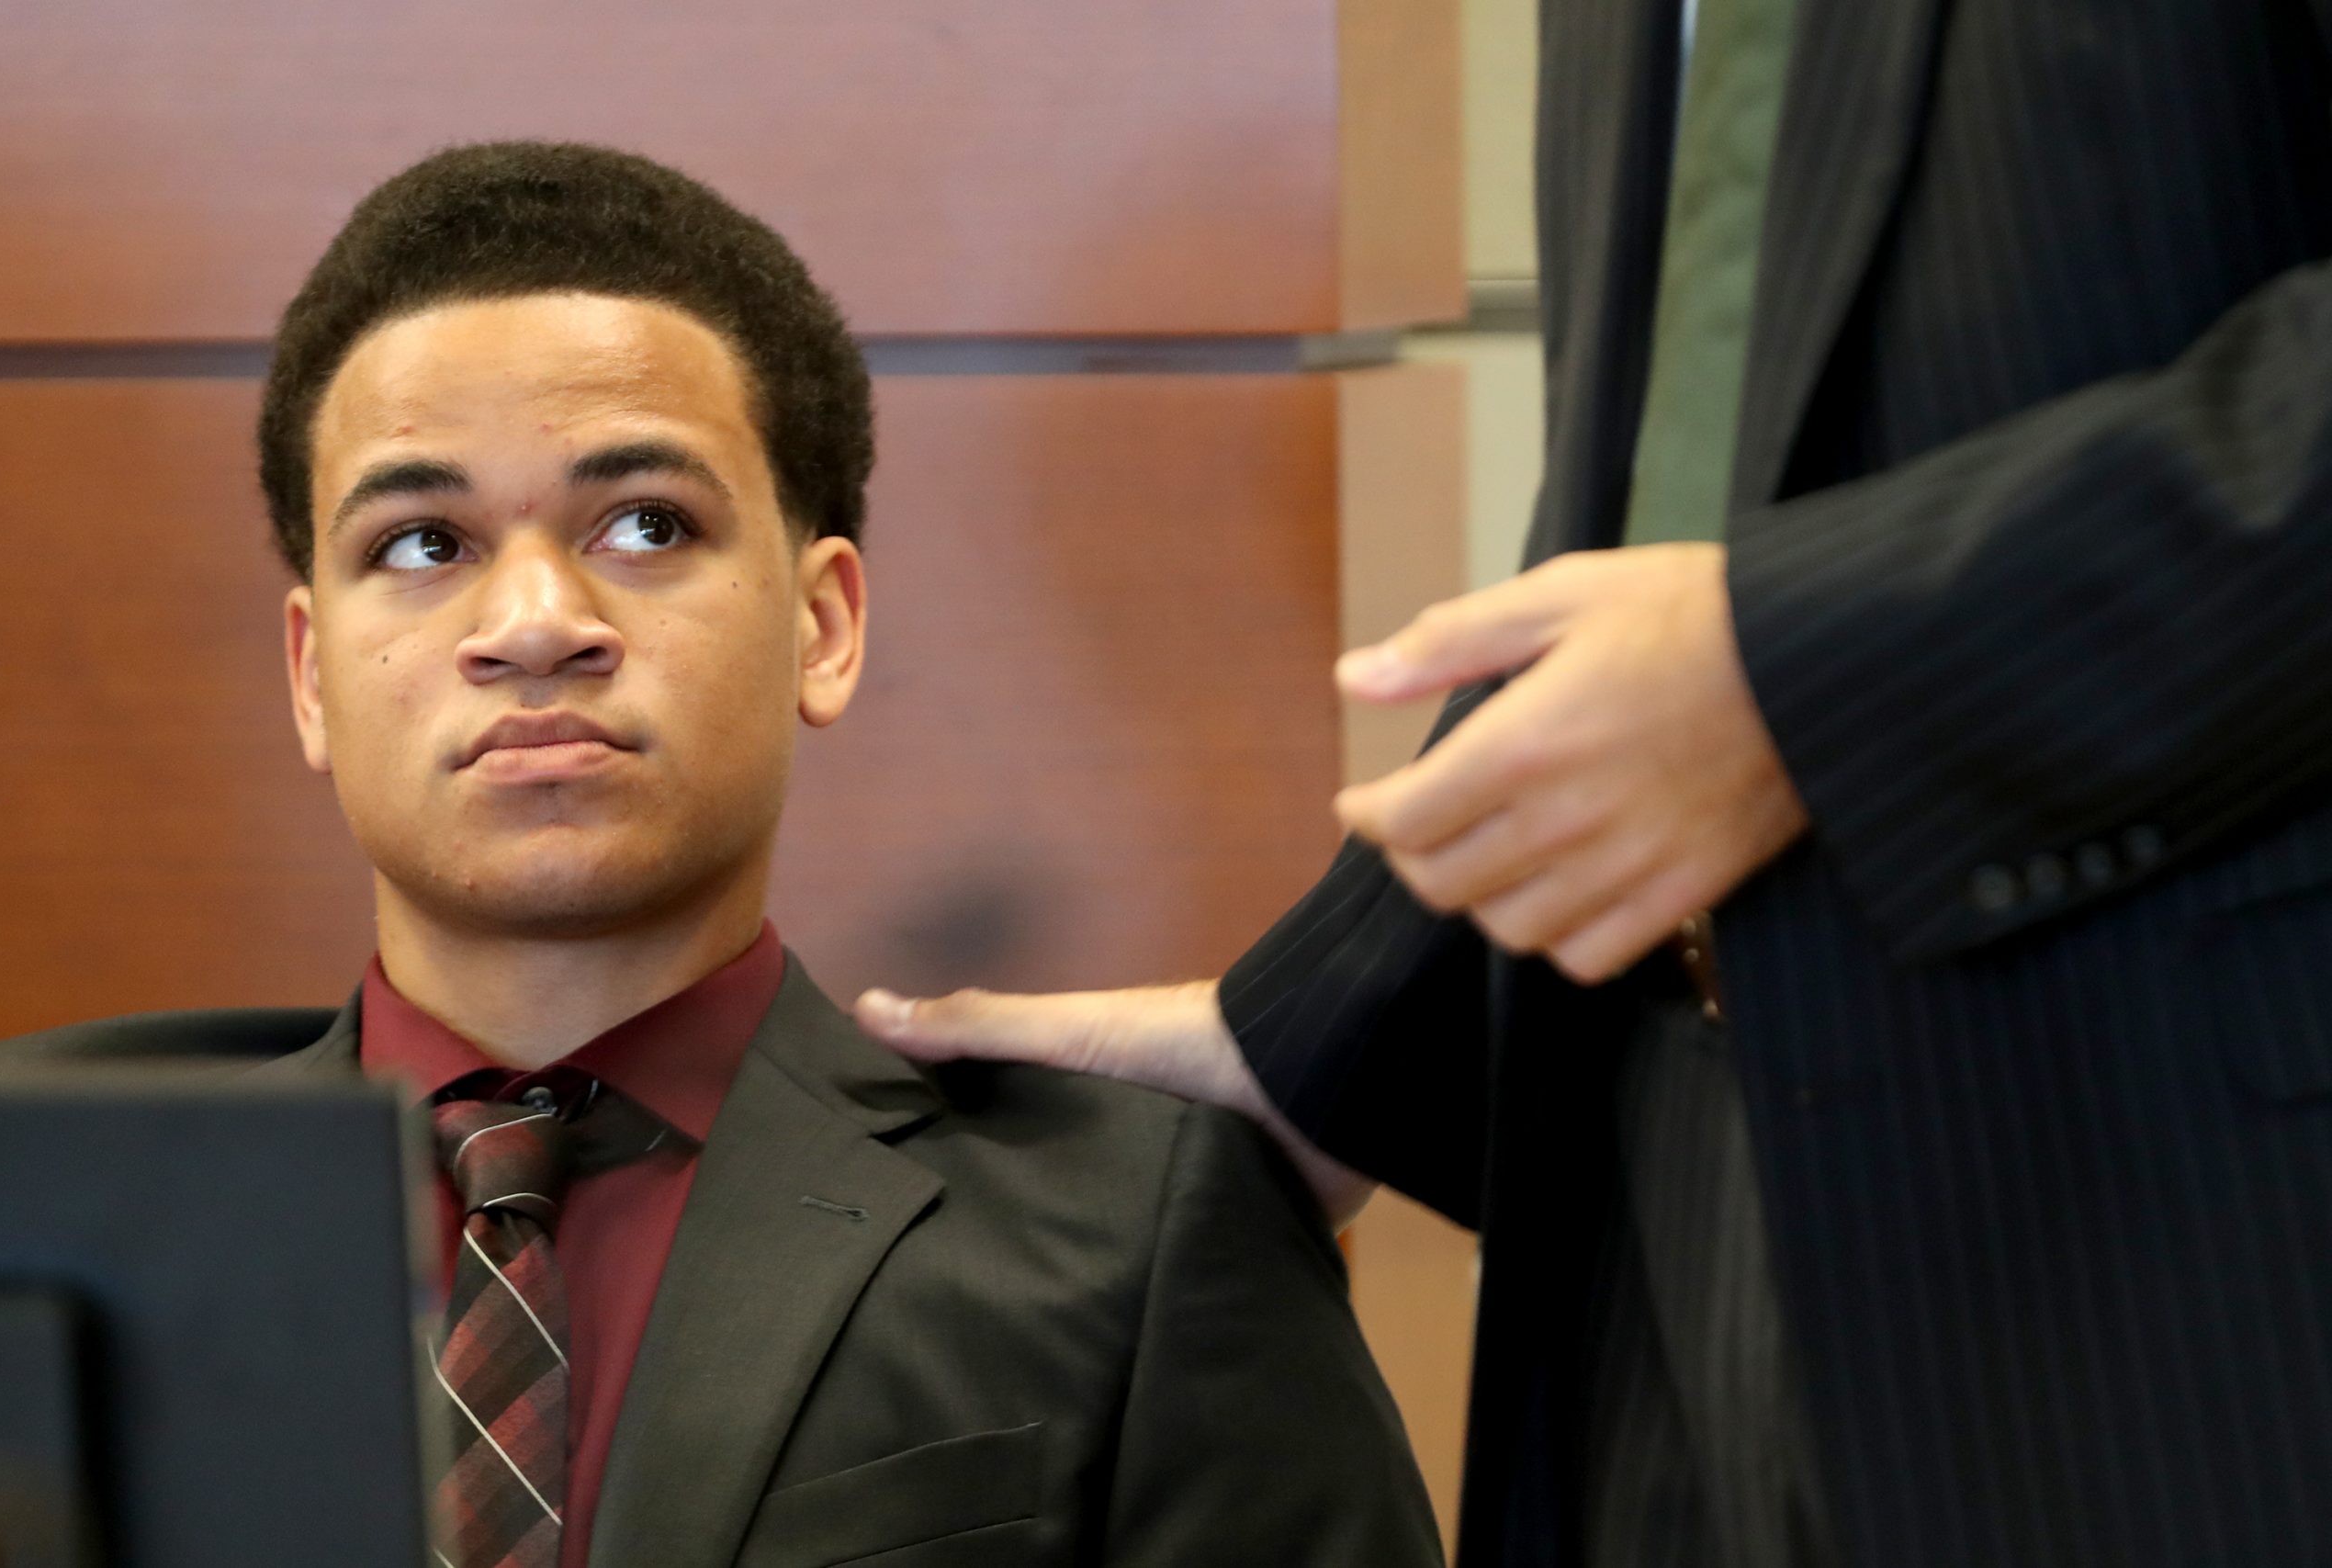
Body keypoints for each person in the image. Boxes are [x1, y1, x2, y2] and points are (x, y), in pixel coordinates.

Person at [857, 3, 2332, 1566]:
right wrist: (1329, 1042)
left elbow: (1740, 629)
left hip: (2195, 1232)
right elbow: (1672, 480)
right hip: (1664, 1218)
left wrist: (1806, 676)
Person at [0, 141, 1443, 1568]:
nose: (536, 624)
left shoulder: (1135, 1223)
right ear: (312, 675)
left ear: (824, 625)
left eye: (645, 524)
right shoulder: (31, 1196)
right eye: (424, 544)